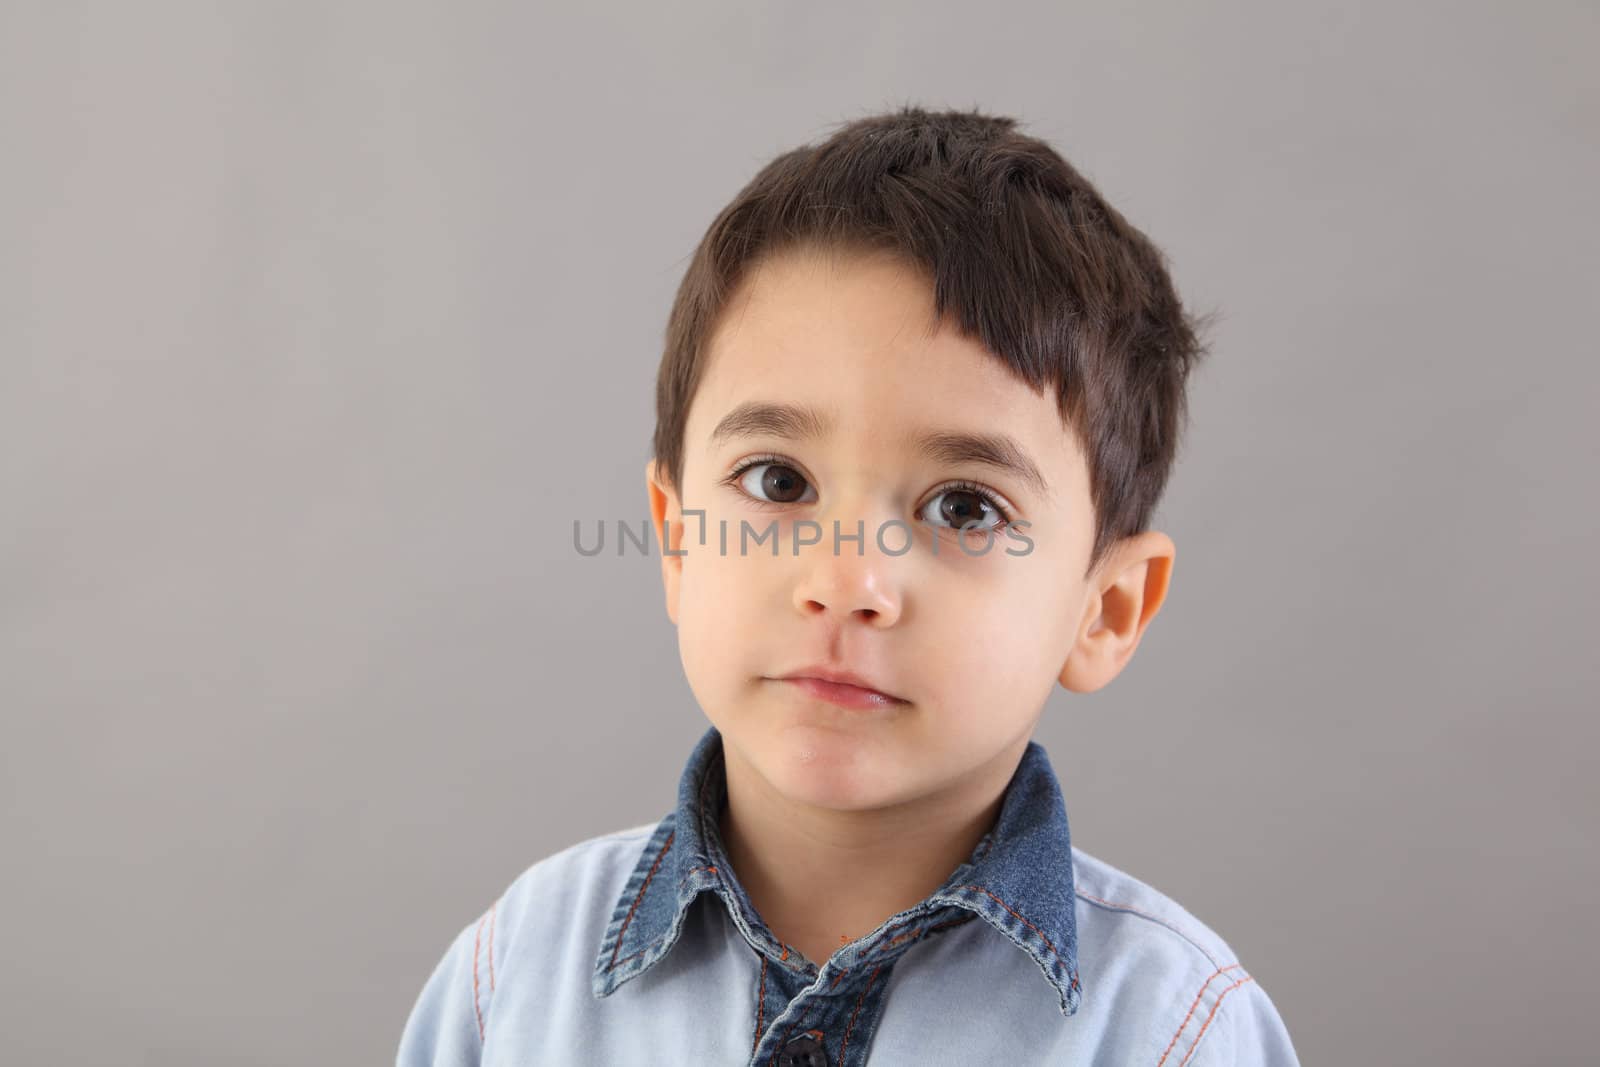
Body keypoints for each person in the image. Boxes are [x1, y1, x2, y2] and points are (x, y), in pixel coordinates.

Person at [397, 104, 1301, 1066]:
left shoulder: (1172, 1030)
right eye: (778, 481)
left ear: (1105, 610)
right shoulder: (517, 978)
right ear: (675, 539)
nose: (845, 581)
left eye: (964, 508)